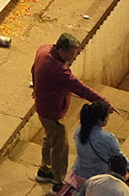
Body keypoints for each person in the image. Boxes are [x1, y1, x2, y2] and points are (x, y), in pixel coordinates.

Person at [31, 32, 106, 186]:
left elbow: (33, 69)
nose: (72, 57)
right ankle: (58, 181)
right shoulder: (58, 70)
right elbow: (80, 88)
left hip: (43, 105)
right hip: (52, 110)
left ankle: (45, 169)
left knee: (50, 137)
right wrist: (104, 102)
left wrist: (36, 86)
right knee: (60, 146)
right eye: (71, 54)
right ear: (61, 51)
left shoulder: (43, 50)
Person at [72, 100, 129, 196]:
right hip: (97, 177)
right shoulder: (108, 138)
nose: (108, 119)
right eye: (107, 117)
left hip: (79, 173)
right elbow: (119, 156)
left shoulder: (78, 130)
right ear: (100, 120)